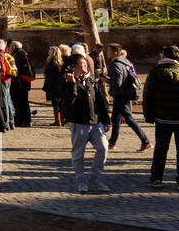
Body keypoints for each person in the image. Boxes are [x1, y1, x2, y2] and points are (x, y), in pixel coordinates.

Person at [142, 45, 179, 188]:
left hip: (163, 117)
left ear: (163, 56)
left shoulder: (155, 72)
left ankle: (156, 178)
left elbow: (148, 96)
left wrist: (149, 116)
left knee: (161, 149)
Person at [63, 52, 111, 193]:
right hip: (79, 123)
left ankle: (96, 177)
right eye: (82, 64)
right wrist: (72, 84)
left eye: (86, 64)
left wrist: (106, 119)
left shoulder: (91, 80)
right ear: (73, 66)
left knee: (103, 148)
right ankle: (81, 181)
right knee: (78, 154)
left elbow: (100, 101)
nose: (86, 66)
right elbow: (68, 102)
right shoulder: (67, 81)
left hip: (96, 121)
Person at [104, 45, 151, 151]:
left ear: (115, 52)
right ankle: (112, 143)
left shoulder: (116, 64)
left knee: (129, 119)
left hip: (121, 95)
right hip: (122, 94)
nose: (106, 52)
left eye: (108, 51)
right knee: (115, 119)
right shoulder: (125, 62)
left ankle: (146, 141)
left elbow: (117, 82)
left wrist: (105, 80)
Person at [9, 41, 35, 127]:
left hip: (18, 83)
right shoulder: (25, 53)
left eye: (10, 46)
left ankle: (20, 120)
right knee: (25, 102)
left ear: (13, 46)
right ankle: (28, 121)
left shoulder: (16, 55)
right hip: (25, 82)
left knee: (18, 102)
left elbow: (15, 70)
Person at [44, 45, 67, 126]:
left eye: (49, 50)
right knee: (59, 103)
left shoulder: (52, 62)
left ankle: (58, 121)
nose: (48, 52)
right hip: (59, 86)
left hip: (54, 86)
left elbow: (51, 75)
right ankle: (61, 120)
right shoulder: (60, 62)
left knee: (56, 103)